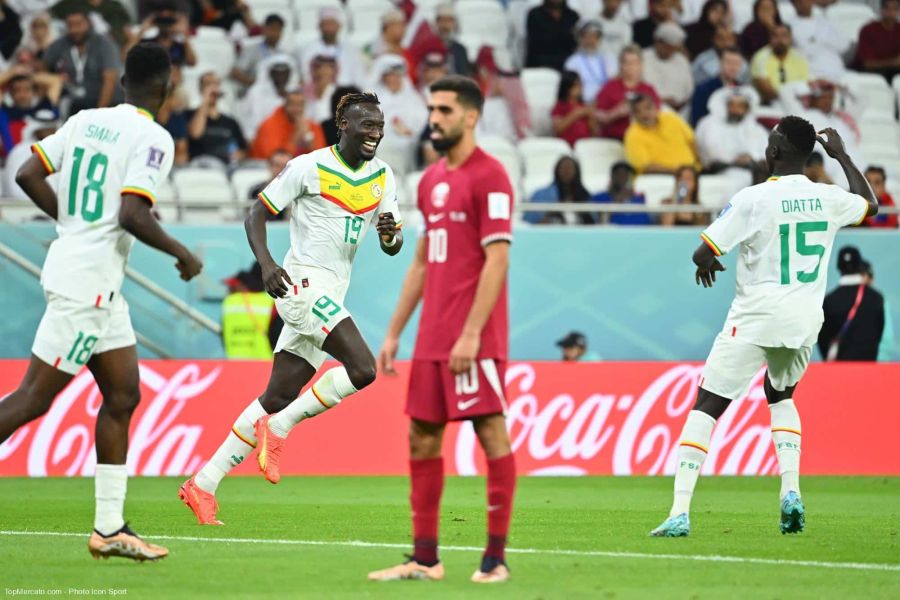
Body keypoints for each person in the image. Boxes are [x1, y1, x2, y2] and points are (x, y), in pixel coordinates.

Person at [0, 41, 202, 560]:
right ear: (167, 85)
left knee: (123, 394)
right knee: (33, 399)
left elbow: (26, 173)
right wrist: (182, 253)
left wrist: (71, 222)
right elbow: (133, 214)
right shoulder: (154, 137)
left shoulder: (86, 120)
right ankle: (109, 528)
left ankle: (109, 529)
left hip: (94, 282)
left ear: (126, 81)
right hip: (86, 285)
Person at [180, 91, 403, 525]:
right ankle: (281, 427)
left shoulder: (383, 175)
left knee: (277, 396)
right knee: (363, 369)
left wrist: (389, 235)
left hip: (331, 294)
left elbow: (392, 244)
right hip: (301, 288)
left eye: (379, 126)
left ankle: (203, 484)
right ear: (343, 125)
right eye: (367, 125)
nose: (375, 133)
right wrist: (267, 264)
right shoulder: (308, 166)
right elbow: (256, 214)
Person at [649, 117, 878, 538]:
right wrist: (842, 156)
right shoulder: (828, 197)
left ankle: (679, 511)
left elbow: (703, 251)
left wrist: (708, 262)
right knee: (781, 395)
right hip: (804, 319)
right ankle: (791, 491)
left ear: (773, 152)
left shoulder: (754, 199)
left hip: (755, 316)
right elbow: (871, 204)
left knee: (707, 404)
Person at [368, 75, 516, 584]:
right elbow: (421, 262)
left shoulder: (492, 176)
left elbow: (498, 260)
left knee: (490, 432)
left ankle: (495, 559)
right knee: (421, 437)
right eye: (431, 109)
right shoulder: (430, 180)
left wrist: (472, 333)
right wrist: (394, 332)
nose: (434, 118)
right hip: (432, 337)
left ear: (471, 116)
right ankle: (425, 558)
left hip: (473, 336)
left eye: (445, 110)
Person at [42, 9, 121, 115]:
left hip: (104, 103)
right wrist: (55, 77)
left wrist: (98, 113)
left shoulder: (104, 45)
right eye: (70, 25)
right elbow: (43, 66)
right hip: (74, 102)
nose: (74, 30)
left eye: (79, 24)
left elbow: (110, 80)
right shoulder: (61, 44)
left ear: (89, 24)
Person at [817, 246, 885, 362]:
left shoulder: (828, 302)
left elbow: (823, 340)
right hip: (868, 369)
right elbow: (878, 334)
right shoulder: (876, 298)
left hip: (838, 369)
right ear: (860, 265)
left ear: (838, 267)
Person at [695, 88, 768, 177]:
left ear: (747, 109)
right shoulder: (709, 125)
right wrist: (735, 161)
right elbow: (708, 154)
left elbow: (765, 157)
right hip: (718, 175)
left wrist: (750, 159)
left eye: (740, 106)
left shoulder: (757, 130)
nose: (735, 110)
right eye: (731, 105)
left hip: (752, 175)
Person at [595, 45, 660, 140]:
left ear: (641, 65)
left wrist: (640, 111)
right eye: (627, 62)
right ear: (621, 65)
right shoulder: (609, 87)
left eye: (634, 62)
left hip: (643, 139)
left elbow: (657, 115)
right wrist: (615, 113)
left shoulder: (648, 89)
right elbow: (597, 116)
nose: (630, 66)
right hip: (614, 139)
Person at [623, 94, 698, 174]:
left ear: (656, 108)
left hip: (692, 172)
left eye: (648, 108)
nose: (644, 114)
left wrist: (698, 165)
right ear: (633, 115)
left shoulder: (671, 119)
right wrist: (678, 171)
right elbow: (645, 167)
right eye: (637, 111)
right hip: (659, 177)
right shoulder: (632, 135)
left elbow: (692, 141)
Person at [186, 71, 247, 166]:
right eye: (208, 84)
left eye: (216, 84)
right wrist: (206, 100)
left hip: (225, 167)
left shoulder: (230, 122)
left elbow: (243, 150)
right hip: (198, 167)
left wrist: (238, 155)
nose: (213, 88)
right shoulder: (189, 115)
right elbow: (195, 133)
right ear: (201, 89)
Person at [297, 7, 366, 88]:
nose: (329, 27)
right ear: (319, 26)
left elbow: (359, 77)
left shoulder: (351, 50)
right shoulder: (309, 49)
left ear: (339, 26)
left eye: (332, 24)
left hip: (348, 92)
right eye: (326, 24)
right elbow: (307, 77)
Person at [249, 89, 326, 159]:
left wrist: (308, 135)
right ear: (285, 105)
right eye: (292, 104)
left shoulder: (311, 125)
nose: (297, 109)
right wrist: (295, 136)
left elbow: (321, 157)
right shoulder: (270, 125)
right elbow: (274, 159)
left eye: (300, 105)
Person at [221, 262, 275, 360]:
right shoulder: (270, 302)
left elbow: (223, 334)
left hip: (234, 362)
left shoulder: (228, 302)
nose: (229, 290)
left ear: (244, 285)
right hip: (265, 363)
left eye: (232, 287)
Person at [2, 108, 59, 200]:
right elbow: (15, 189)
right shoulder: (20, 151)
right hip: (20, 205)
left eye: (52, 129)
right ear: (36, 130)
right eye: (46, 129)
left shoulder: (57, 152)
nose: (50, 133)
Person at [787, 0, 848, 81]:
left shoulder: (825, 22)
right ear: (793, 3)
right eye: (800, 1)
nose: (805, 3)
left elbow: (844, 45)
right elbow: (805, 50)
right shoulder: (790, 26)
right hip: (813, 76)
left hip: (839, 72)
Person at [525, 155, 595, 225]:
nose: (567, 171)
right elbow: (529, 223)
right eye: (563, 168)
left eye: (570, 168)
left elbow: (594, 223)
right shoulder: (542, 196)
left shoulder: (585, 197)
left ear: (576, 172)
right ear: (557, 170)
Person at [750, 23, 809, 104]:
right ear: (770, 39)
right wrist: (788, 102)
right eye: (775, 36)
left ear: (790, 39)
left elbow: (806, 84)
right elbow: (766, 89)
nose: (780, 40)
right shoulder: (760, 57)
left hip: (797, 103)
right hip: (769, 103)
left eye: (784, 36)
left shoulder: (799, 57)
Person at [641, 22, 693, 112]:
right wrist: (660, 101)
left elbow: (689, 91)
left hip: (679, 111)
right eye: (667, 47)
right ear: (658, 42)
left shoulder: (681, 60)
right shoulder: (642, 58)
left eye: (673, 48)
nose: (670, 51)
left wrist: (679, 104)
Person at [563, 20, 618, 104]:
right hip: (583, 104)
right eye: (586, 37)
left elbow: (614, 82)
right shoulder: (572, 62)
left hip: (607, 103)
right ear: (580, 39)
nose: (590, 41)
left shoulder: (609, 58)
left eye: (594, 37)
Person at [690, 46, 744, 125]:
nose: (733, 67)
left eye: (736, 63)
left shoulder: (744, 90)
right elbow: (697, 120)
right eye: (729, 62)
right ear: (720, 63)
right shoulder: (703, 89)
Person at [231, 13, 284, 92]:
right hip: (253, 94)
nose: (275, 33)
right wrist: (255, 84)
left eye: (278, 30)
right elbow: (235, 72)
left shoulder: (283, 55)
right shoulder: (251, 50)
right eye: (272, 29)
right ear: (264, 29)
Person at [591, 160, 652, 225]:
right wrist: (617, 201)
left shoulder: (639, 198)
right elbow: (598, 222)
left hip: (642, 230)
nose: (623, 178)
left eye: (627, 175)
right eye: (620, 174)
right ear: (612, 176)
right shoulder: (600, 197)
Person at [50, 0, 131, 48]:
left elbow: (129, 34)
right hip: (79, 51)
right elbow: (48, 16)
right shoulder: (71, 4)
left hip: (115, 51)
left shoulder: (115, 7)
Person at [526, 0, 579, 70]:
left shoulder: (572, 16)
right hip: (539, 65)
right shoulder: (535, 14)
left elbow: (574, 43)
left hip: (567, 65)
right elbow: (536, 42)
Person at [855, 0, 900, 82]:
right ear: (882, 10)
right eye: (888, 9)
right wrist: (894, 62)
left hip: (894, 71)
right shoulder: (868, 30)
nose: (891, 13)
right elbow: (868, 64)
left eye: (895, 9)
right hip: (870, 73)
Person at [551, 71, 598, 147]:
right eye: (576, 85)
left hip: (585, 145)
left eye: (581, 84)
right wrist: (576, 114)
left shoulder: (584, 106)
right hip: (566, 146)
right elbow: (558, 129)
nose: (580, 88)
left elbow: (594, 132)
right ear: (567, 88)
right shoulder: (560, 106)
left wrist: (591, 117)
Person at [247, 149, 291, 221]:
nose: (282, 170)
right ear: (269, 166)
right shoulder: (255, 191)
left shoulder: (301, 192)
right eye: (277, 165)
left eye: (285, 167)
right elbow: (251, 219)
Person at [433, 3, 473, 77]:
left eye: (448, 21)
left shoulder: (461, 50)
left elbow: (464, 75)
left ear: (454, 24)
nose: (445, 25)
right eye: (442, 20)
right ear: (436, 23)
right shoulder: (429, 48)